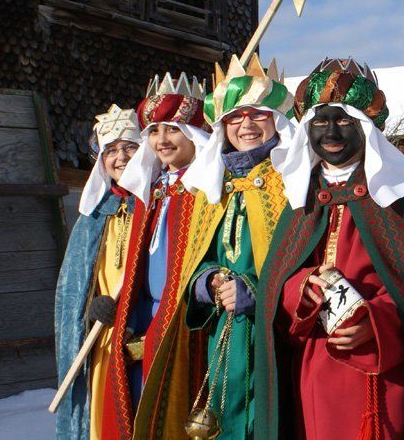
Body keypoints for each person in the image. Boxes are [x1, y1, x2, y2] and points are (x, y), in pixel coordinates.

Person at [255, 58, 404, 440]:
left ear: (364, 127)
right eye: (320, 122)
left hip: (383, 373)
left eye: (343, 121)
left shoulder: (395, 197)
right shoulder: (301, 200)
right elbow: (275, 286)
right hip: (313, 367)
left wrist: (377, 321)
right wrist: (301, 289)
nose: (331, 132)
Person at [168, 53, 295, 439]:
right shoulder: (214, 186)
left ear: (276, 120)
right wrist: (207, 283)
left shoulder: (293, 180)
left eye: (257, 114)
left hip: (279, 334)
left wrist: (257, 291)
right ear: (222, 125)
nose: (247, 125)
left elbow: (305, 260)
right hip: (224, 332)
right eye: (235, 117)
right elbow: (198, 257)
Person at [101, 73, 211, 439]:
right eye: (154, 131)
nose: (161, 140)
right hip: (142, 317)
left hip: (186, 318)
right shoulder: (151, 191)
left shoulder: (206, 190)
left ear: (195, 134)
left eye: (173, 130)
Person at [55, 104, 141, 440]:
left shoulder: (159, 204)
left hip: (146, 331)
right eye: (111, 151)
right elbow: (74, 287)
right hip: (104, 337)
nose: (120, 157)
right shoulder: (93, 215)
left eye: (129, 147)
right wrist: (91, 308)